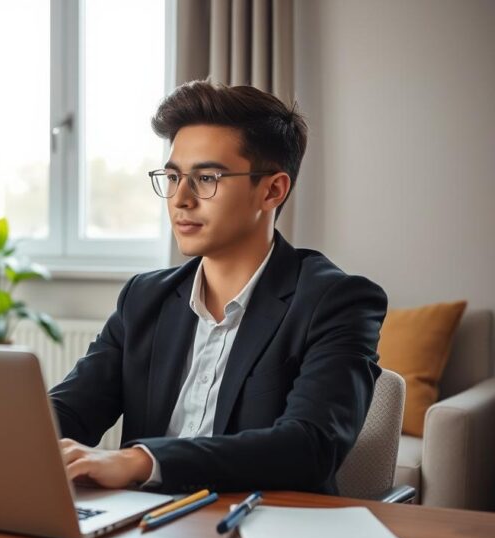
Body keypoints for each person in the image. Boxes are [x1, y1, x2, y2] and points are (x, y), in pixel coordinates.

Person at [50, 80, 387, 495]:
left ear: (272, 190)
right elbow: (71, 410)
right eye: (173, 177)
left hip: (259, 531)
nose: (181, 199)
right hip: (142, 531)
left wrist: (141, 461)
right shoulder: (144, 298)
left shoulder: (336, 301)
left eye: (207, 178)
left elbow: (308, 447)